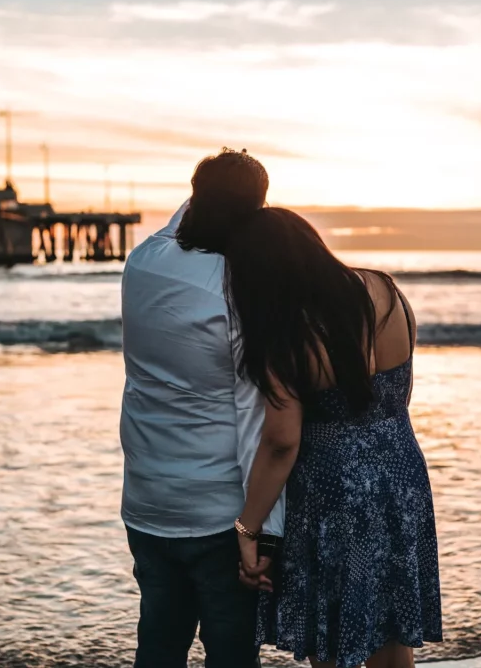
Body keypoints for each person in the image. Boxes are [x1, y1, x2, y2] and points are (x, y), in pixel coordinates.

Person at [185, 206, 444, 668]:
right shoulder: (385, 289)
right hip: (402, 473)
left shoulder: (289, 330)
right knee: (389, 634)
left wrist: (247, 528)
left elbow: (282, 441)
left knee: (332, 644)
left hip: (333, 494)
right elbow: (395, 393)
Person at [119, 149, 284, 668]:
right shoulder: (239, 288)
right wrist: (260, 532)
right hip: (218, 514)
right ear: (255, 212)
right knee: (232, 655)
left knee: (159, 648)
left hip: (147, 502)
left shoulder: (141, 262)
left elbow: (180, 227)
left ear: (193, 197)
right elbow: (262, 424)